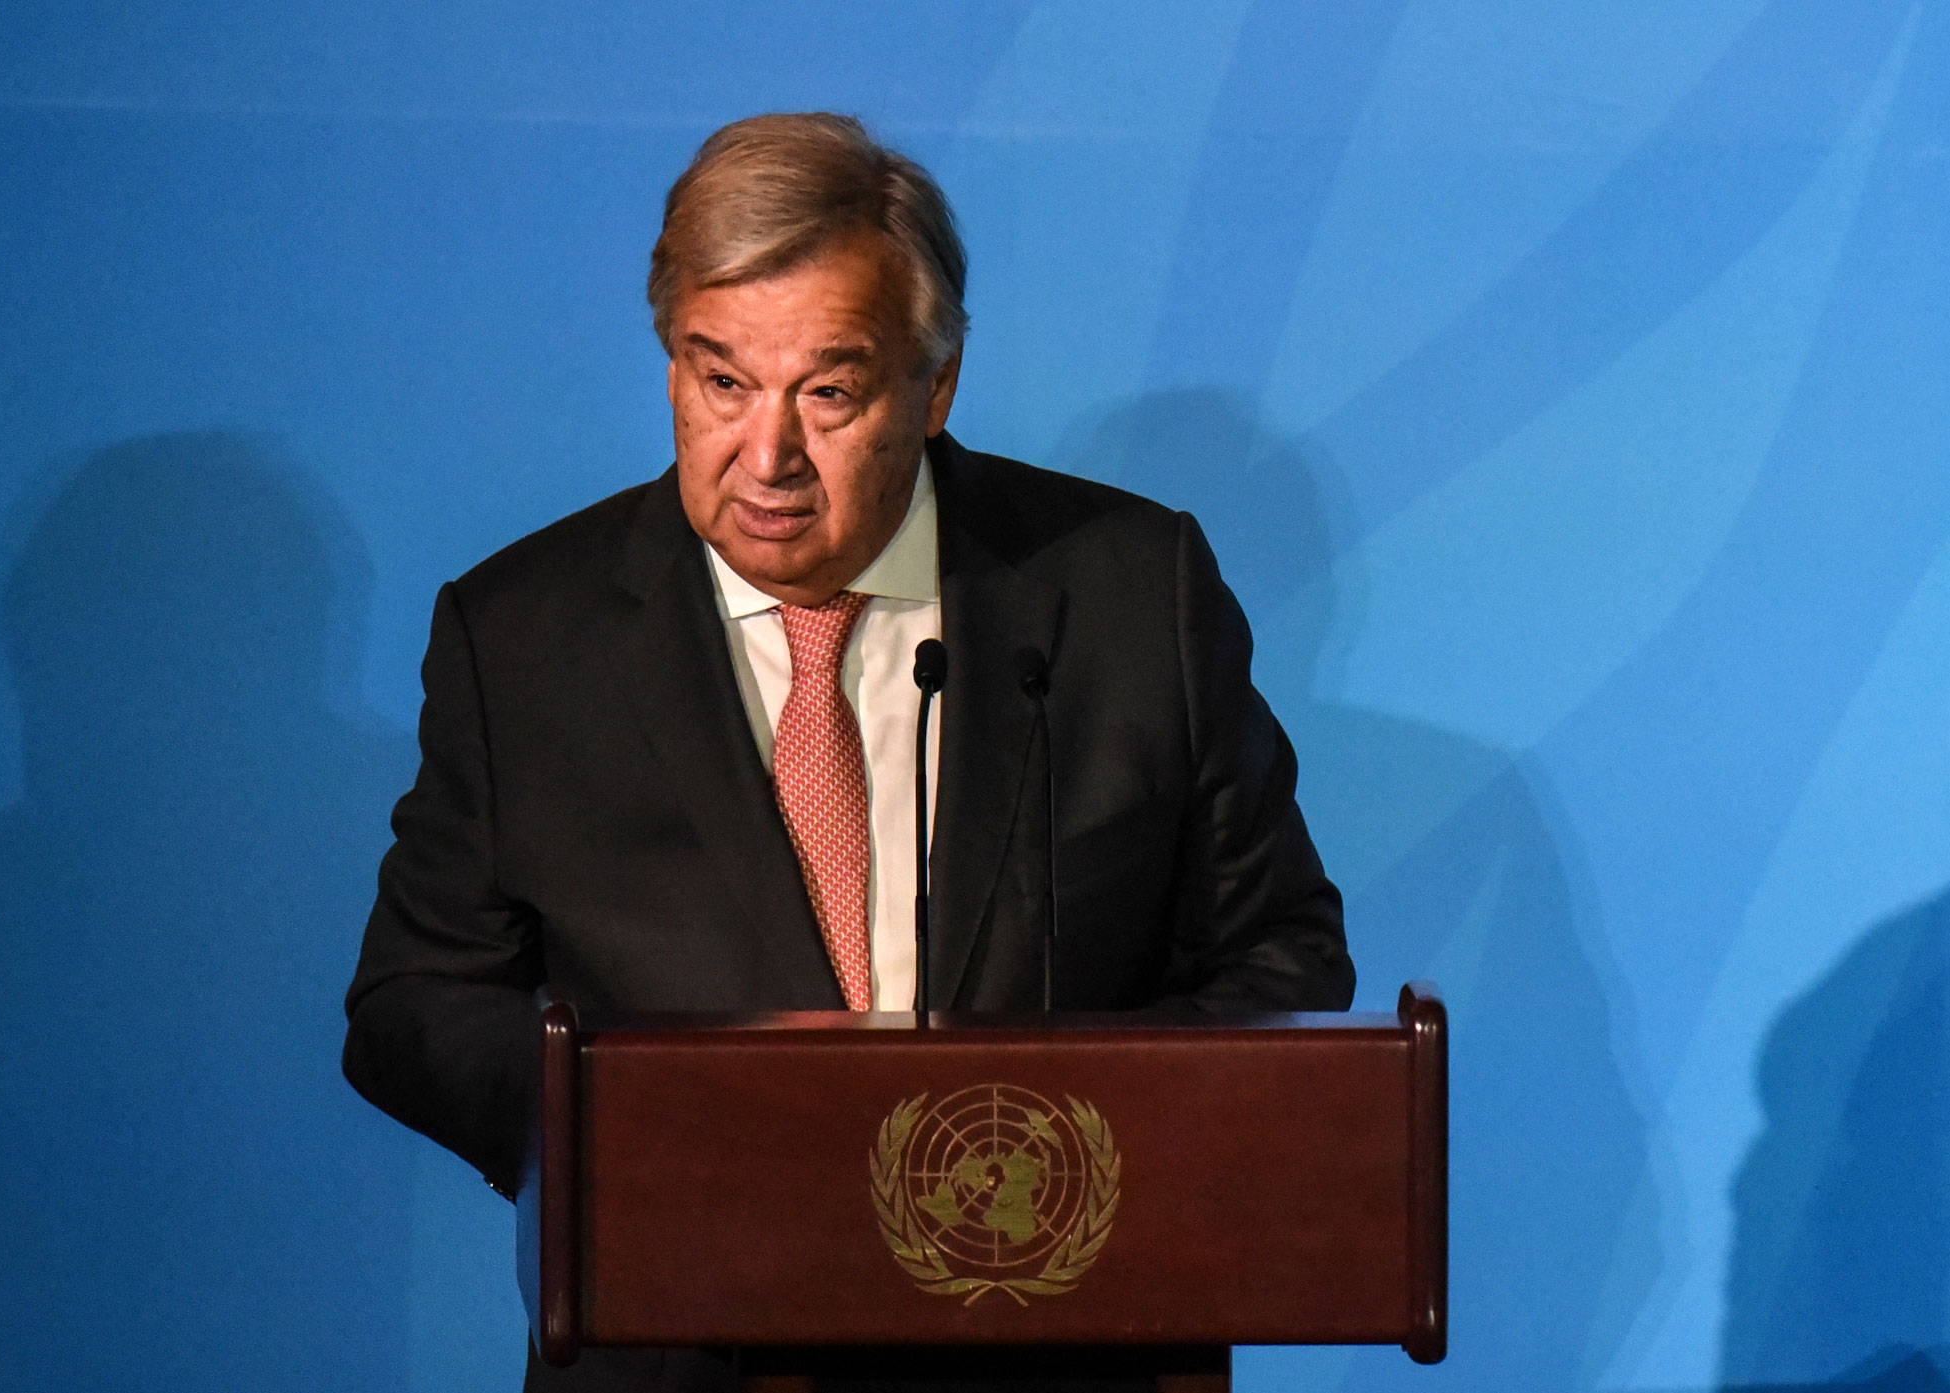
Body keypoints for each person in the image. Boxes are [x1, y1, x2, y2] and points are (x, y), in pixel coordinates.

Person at [343, 112, 1353, 1393]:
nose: (766, 457)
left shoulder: (1127, 596)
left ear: (934, 387)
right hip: (685, 1348)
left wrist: (1065, 1131)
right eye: (721, 382)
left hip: (1052, 1347)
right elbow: (413, 1003)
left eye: (827, 393)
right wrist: (621, 1119)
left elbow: (1279, 955)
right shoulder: (522, 640)